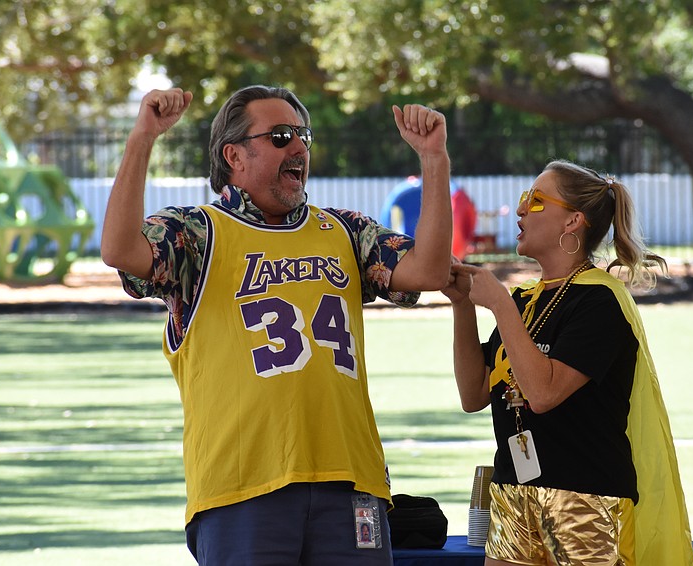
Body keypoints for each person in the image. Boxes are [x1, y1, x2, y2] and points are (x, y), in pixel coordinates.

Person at [101, 85, 452, 565]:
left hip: (352, 482)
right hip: (241, 487)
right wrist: (142, 138)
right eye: (282, 136)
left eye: (303, 135)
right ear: (234, 156)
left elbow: (428, 272)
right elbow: (121, 251)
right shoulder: (197, 232)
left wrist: (434, 160)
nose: (299, 147)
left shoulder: (345, 230)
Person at [442, 160, 693, 565]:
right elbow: (473, 394)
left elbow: (543, 393)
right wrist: (462, 306)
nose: (521, 209)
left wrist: (500, 306)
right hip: (513, 490)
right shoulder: (525, 300)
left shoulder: (598, 300)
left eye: (535, 200)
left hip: (586, 498)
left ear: (572, 221)